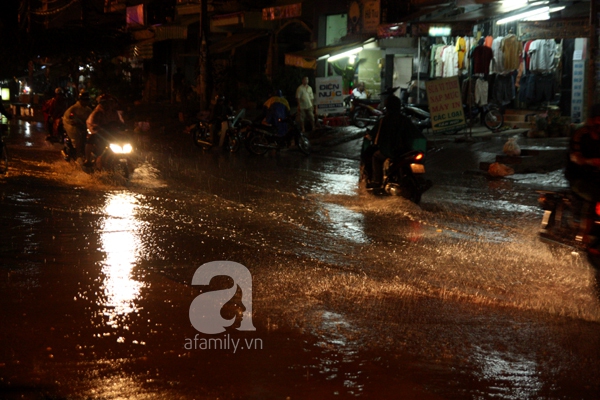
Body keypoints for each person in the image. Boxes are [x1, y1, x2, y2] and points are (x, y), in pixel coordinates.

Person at [361, 94, 411, 189]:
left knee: (375, 156)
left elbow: (373, 135)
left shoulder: (384, 121)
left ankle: (376, 181)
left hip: (390, 151)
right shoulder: (405, 120)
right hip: (405, 150)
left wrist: (368, 136)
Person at [85, 94, 124, 167]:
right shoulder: (97, 113)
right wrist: (97, 129)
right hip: (100, 134)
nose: (108, 104)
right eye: (106, 103)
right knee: (90, 139)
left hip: (112, 134)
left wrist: (124, 126)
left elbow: (120, 122)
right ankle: (88, 159)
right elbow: (91, 124)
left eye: (110, 102)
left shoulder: (114, 112)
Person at [62, 90, 93, 161]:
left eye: (87, 99)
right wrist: (76, 123)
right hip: (75, 128)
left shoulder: (89, 110)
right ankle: (78, 154)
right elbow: (70, 119)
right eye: (84, 99)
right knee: (78, 139)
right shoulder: (73, 109)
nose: (85, 101)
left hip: (85, 127)